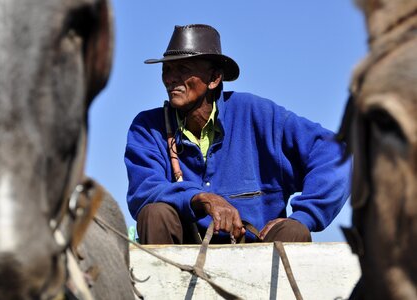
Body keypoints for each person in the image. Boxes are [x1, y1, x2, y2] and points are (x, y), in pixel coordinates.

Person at [124, 24, 351, 244]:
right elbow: (144, 190)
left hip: (256, 249)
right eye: (167, 69)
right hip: (183, 251)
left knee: (294, 232)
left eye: (183, 69)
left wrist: (304, 216)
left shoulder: (258, 114)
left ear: (214, 79)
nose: (171, 78)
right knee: (155, 214)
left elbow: (338, 154)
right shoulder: (148, 127)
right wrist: (200, 198)